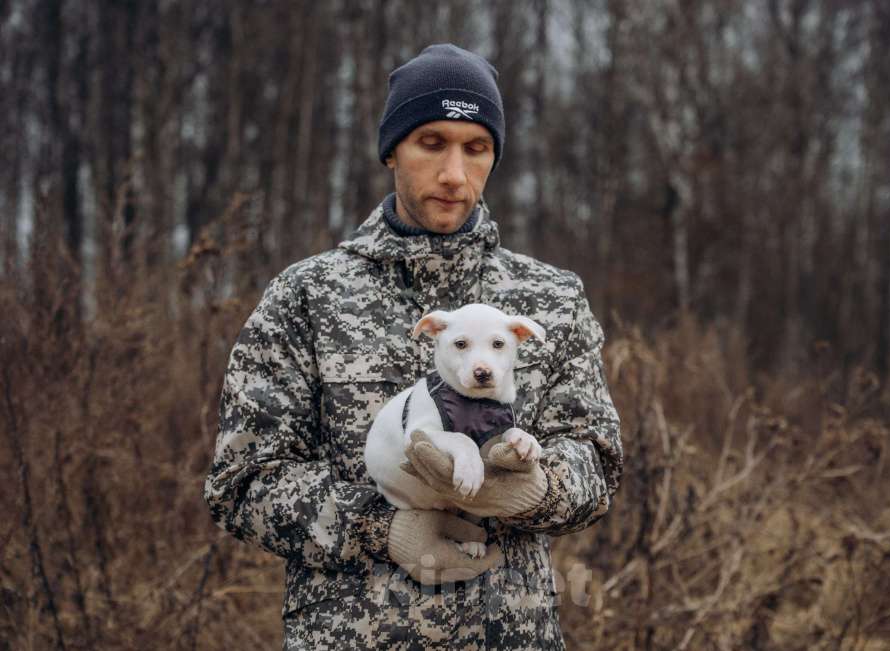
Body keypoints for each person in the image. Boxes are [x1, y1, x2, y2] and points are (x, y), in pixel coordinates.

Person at [204, 43, 623, 650]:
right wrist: (385, 528)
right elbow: (242, 483)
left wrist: (535, 489)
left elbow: (597, 465)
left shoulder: (549, 297)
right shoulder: (309, 295)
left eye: (476, 148)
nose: (454, 173)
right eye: (432, 142)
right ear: (392, 150)